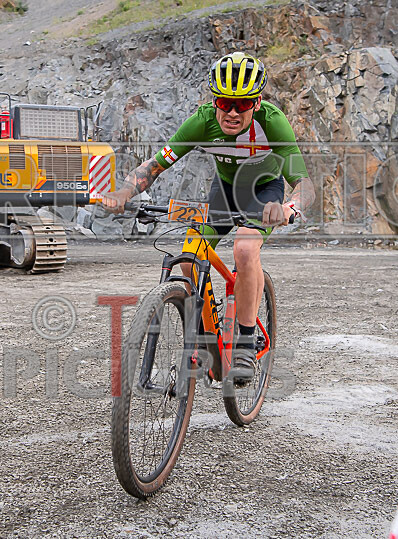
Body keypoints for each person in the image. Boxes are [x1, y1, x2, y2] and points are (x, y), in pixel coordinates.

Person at [101, 51, 315, 383]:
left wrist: (290, 207)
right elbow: (155, 165)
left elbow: (303, 183)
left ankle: (245, 341)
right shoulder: (202, 122)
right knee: (189, 257)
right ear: (214, 100)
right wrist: (125, 192)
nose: (232, 111)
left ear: (256, 103)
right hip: (224, 190)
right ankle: (203, 341)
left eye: (242, 104)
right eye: (224, 102)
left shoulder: (272, 123)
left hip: (264, 192)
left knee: (244, 250)